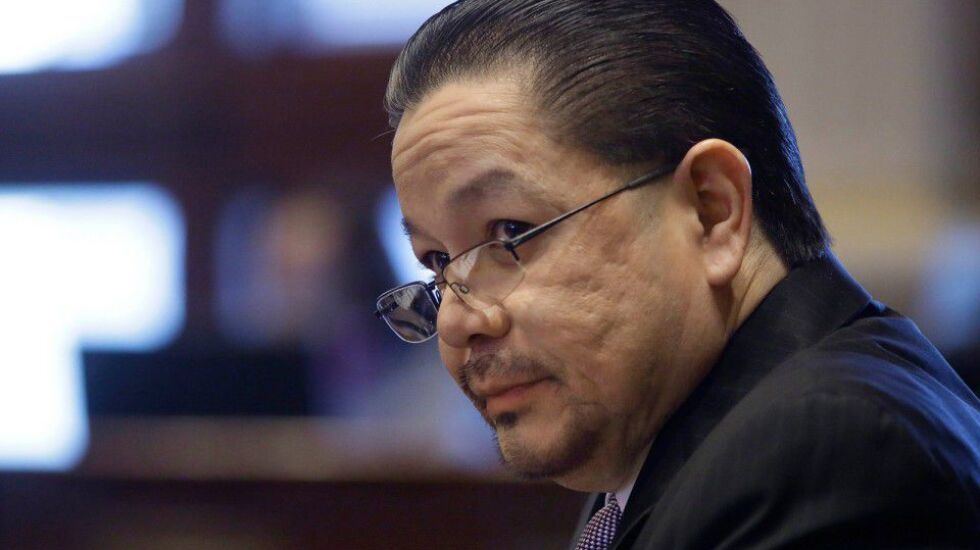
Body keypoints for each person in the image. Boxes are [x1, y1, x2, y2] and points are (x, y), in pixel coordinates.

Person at [372, 1, 980, 547]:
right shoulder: (662, 447)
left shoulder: (826, 451)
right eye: (437, 261)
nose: (457, 323)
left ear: (712, 210)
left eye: (510, 233)